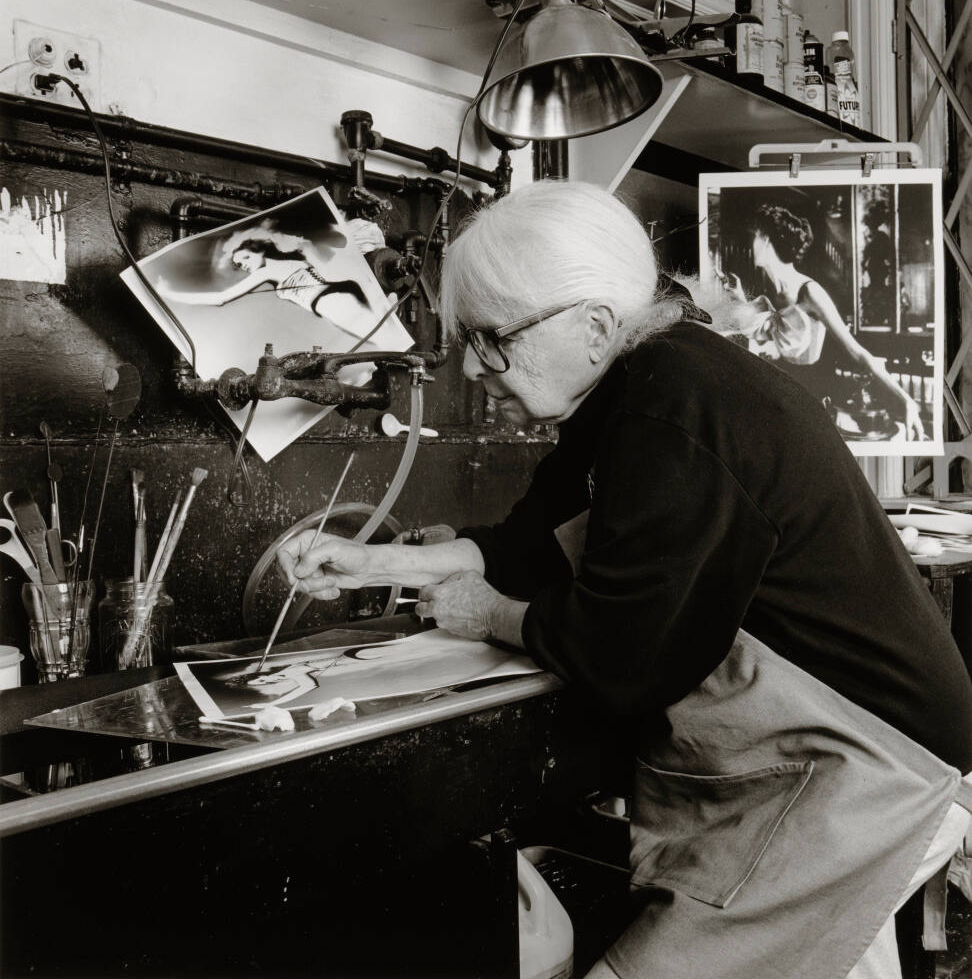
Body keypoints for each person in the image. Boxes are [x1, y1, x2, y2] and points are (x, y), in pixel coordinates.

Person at [277, 180, 972, 979]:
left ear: (596, 325)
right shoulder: (630, 389)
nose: (473, 366)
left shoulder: (676, 405)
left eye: (491, 338)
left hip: (869, 769)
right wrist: (378, 562)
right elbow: (528, 545)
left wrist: (488, 614)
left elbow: (623, 655)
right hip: (842, 754)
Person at [723, 203, 926, 440]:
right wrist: (738, 297)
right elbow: (764, 330)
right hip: (776, 395)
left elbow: (858, 352)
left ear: (767, 240)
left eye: (755, 236)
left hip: (811, 403)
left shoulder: (810, 292)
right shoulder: (771, 290)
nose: (751, 243)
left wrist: (906, 399)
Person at [156, 225, 379, 342]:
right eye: (238, 264)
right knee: (378, 336)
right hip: (339, 293)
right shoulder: (292, 256)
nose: (243, 265)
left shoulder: (268, 270)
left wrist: (168, 293)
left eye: (244, 257)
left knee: (378, 339)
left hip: (330, 301)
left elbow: (220, 298)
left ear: (258, 250)